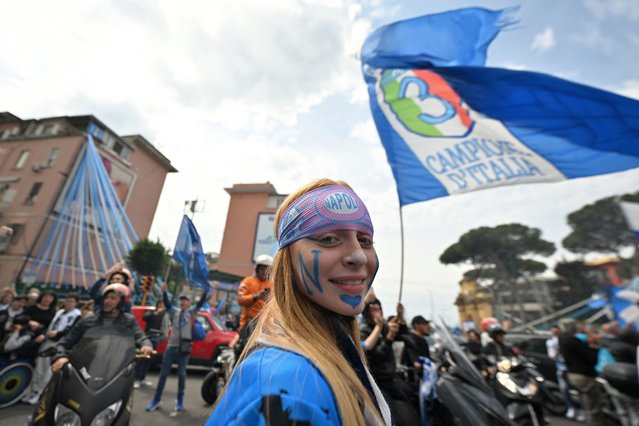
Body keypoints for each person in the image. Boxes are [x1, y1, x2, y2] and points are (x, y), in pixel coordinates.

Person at [207, 179, 392, 425]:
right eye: (328, 239)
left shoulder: (332, 353)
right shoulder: (291, 390)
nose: (358, 255)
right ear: (288, 262)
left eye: (365, 240)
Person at [50, 284, 152, 373]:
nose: (108, 301)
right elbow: (65, 342)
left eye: (113, 298)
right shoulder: (88, 321)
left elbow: (141, 336)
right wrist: (60, 357)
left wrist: (146, 345)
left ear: (122, 302)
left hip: (115, 369)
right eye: (106, 297)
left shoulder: (129, 320)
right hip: (85, 368)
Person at [146, 285, 207, 415]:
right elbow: (167, 304)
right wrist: (164, 292)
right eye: (182, 300)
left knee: (181, 375)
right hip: (171, 348)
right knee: (163, 374)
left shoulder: (192, 313)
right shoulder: (174, 312)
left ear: (189, 303)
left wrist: (204, 293)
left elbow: (200, 304)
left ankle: (179, 401)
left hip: (184, 350)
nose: (183, 302)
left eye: (186, 300)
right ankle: (156, 400)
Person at [360, 298, 418, 425]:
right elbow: (373, 357)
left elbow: (403, 334)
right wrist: (388, 337)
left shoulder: (385, 327)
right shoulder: (365, 330)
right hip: (377, 383)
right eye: (373, 309)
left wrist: (400, 314)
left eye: (379, 308)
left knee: (412, 402)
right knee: (388, 418)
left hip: (391, 378)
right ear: (366, 312)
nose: (378, 312)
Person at [22, 293, 81, 404]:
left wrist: (58, 333)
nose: (68, 303)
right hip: (48, 341)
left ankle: (41, 394)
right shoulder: (60, 312)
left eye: (72, 301)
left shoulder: (77, 315)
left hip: (58, 344)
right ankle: (34, 391)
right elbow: (51, 325)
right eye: (67, 300)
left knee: (48, 371)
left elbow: (72, 331)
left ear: (76, 303)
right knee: (39, 366)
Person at [558, 318, 605, 426]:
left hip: (573, 374)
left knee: (586, 404)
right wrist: (594, 347)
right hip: (583, 375)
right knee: (593, 407)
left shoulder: (563, 338)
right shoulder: (573, 340)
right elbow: (590, 357)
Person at [546, 325, 584, 421]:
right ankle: (571, 408)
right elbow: (552, 356)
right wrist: (559, 350)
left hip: (572, 369)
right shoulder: (551, 342)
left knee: (578, 389)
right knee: (564, 389)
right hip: (562, 369)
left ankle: (582, 410)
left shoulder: (568, 339)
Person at [134, 299, 169, 389]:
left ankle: (143, 377)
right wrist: (155, 312)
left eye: (163, 305)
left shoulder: (165, 315)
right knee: (142, 359)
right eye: (160, 304)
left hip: (155, 339)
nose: (162, 306)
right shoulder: (151, 312)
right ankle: (136, 378)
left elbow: (165, 327)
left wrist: (162, 338)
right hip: (147, 339)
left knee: (149, 360)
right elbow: (144, 318)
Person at [237, 254, 273, 331]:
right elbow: (240, 300)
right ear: (257, 269)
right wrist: (256, 296)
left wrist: (268, 299)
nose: (265, 272)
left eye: (267, 269)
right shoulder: (247, 281)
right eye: (262, 269)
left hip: (266, 325)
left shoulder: (272, 284)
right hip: (248, 324)